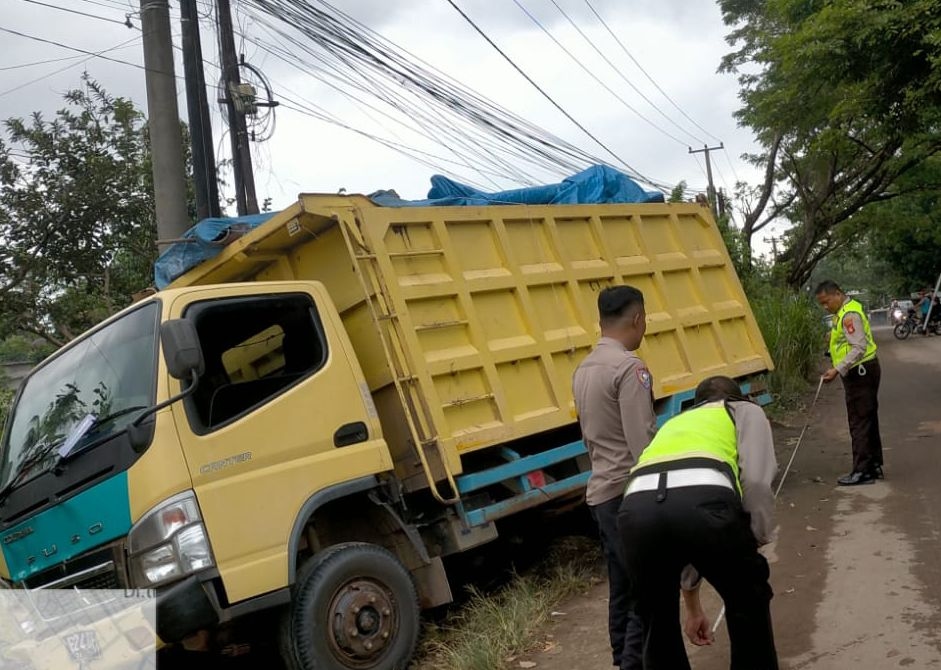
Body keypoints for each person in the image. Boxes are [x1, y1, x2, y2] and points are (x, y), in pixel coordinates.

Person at [617, 376, 779, 670]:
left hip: (636, 509)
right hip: (704, 500)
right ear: (736, 397)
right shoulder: (744, 410)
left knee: (656, 615)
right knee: (747, 598)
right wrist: (754, 538)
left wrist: (692, 607)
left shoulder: (675, 423)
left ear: (697, 402)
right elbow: (756, 481)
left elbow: (681, 526)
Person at [573, 285, 656, 669]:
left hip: (601, 493)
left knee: (621, 586)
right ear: (637, 318)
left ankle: (621, 657)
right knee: (646, 588)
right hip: (628, 492)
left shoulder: (583, 370)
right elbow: (642, 442)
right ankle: (632, 664)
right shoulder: (629, 368)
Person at [815, 280, 885, 484]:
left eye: (826, 301)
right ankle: (873, 465)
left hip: (860, 372)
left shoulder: (848, 315)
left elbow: (858, 347)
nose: (825, 307)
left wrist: (837, 369)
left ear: (838, 294)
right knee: (867, 419)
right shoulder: (844, 312)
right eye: (822, 304)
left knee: (859, 421)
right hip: (863, 370)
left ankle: (862, 471)